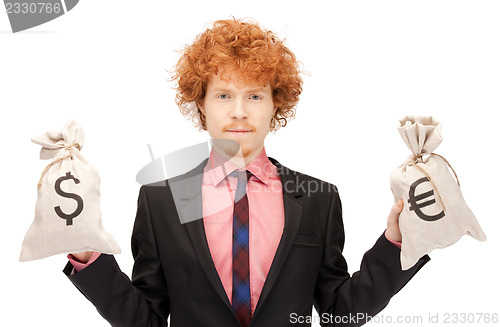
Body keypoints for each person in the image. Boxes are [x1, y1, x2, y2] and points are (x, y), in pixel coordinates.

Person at [65, 18, 429, 327]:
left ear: (276, 104)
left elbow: (339, 311)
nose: (239, 112)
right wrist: (87, 254)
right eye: (223, 95)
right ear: (202, 106)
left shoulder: (319, 198)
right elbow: (147, 318)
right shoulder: (161, 199)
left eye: (255, 96)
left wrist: (397, 242)